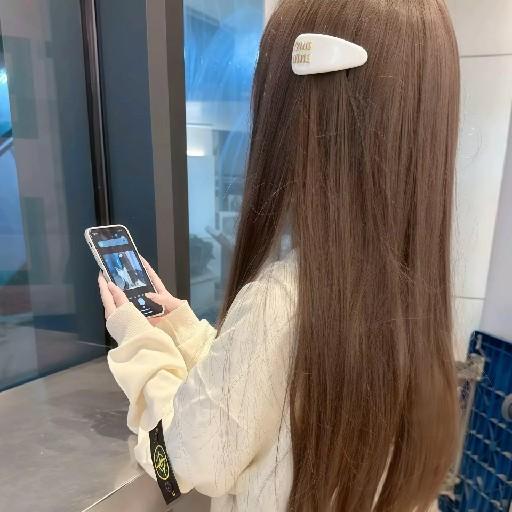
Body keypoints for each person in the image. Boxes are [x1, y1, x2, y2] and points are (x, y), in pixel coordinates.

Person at [98, 0, 460, 510]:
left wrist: (139, 344)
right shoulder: (412, 304)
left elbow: (173, 464)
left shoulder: (283, 302)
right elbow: (269, 394)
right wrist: (182, 330)